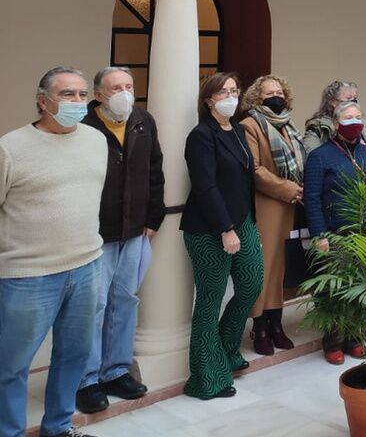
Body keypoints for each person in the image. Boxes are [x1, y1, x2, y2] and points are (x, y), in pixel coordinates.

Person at [0, 67, 105, 437]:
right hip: (27, 276)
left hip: (87, 266)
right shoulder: (10, 147)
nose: (76, 102)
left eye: (80, 94)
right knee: (11, 366)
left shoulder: (95, 140)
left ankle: (58, 428)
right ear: (42, 101)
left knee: (74, 356)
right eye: (66, 95)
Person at [75, 67, 164, 414]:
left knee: (124, 301)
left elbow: (154, 170)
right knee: (92, 307)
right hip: (94, 233)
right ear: (99, 94)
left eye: (129, 86)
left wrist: (153, 217)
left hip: (135, 229)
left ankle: (115, 370)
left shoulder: (143, 120)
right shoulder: (83, 125)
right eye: (116, 88)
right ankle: (86, 379)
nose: (124, 93)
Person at [181, 73, 264, 400]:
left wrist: (247, 225)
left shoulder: (240, 130)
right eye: (223, 92)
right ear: (208, 100)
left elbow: (245, 180)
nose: (230, 96)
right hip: (209, 227)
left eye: (234, 90)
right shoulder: (201, 136)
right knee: (209, 300)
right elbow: (205, 186)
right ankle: (206, 378)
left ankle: (227, 346)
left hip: (243, 220)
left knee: (251, 284)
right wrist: (225, 229)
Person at [303, 101, 366, 363]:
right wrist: (319, 235)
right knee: (334, 290)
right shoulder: (320, 156)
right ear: (335, 124)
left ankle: (355, 337)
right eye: (348, 117)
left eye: (358, 116)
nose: (354, 121)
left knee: (360, 287)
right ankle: (333, 341)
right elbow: (311, 199)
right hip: (335, 234)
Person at [238, 75, 306, 358]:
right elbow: (254, 169)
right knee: (264, 267)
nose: (275, 96)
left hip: (292, 205)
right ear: (257, 97)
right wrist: (290, 189)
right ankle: (260, 327)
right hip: (268, 204)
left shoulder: (288, 125)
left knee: (282, 267)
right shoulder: (250, 124)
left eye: (279, 91)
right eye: (269, 92)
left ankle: (277, 323)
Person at [302, 80, 366, 152]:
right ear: (333, 102)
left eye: (355, 99)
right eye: (348, 99)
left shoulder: (363, 124)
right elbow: (312, 154)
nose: (353, 104)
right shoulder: (317, 127)